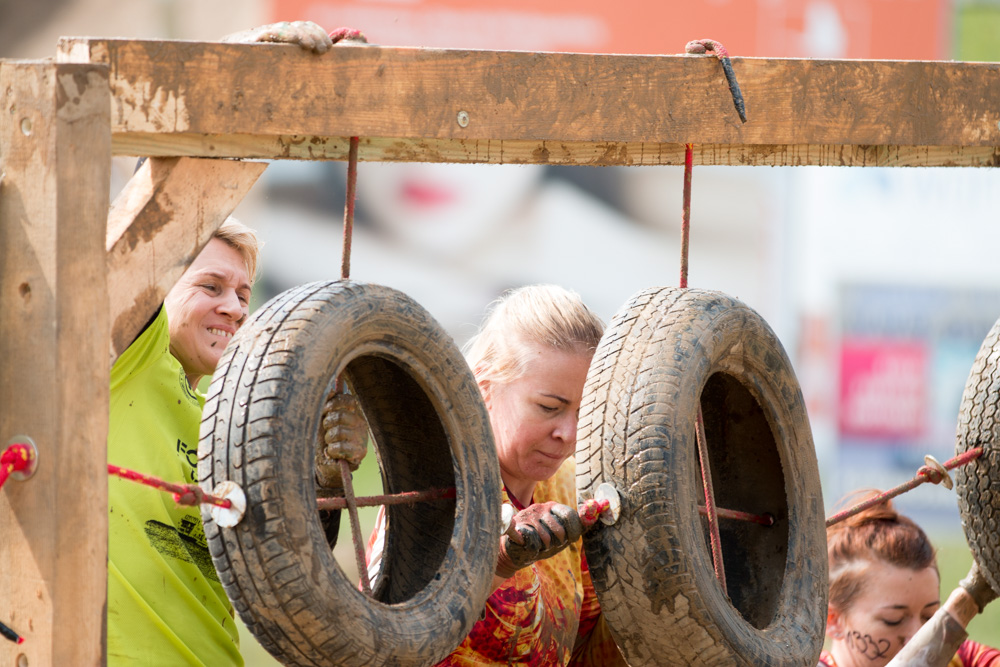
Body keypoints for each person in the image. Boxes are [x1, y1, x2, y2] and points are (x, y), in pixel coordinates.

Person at [365, 284, 626, 665]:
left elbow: (586, 650)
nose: (568, 433)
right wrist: (501, 562)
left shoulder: (572, 491)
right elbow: (387, 638)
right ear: (486, 386)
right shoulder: (435, 482)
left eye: (583, 411)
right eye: (550, 407)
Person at [821, 493, 1000, 667]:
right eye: (894, 620)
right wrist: (968, 599)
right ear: (832, 620)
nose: (918, 636)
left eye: (930, 617)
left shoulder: (962, 658)